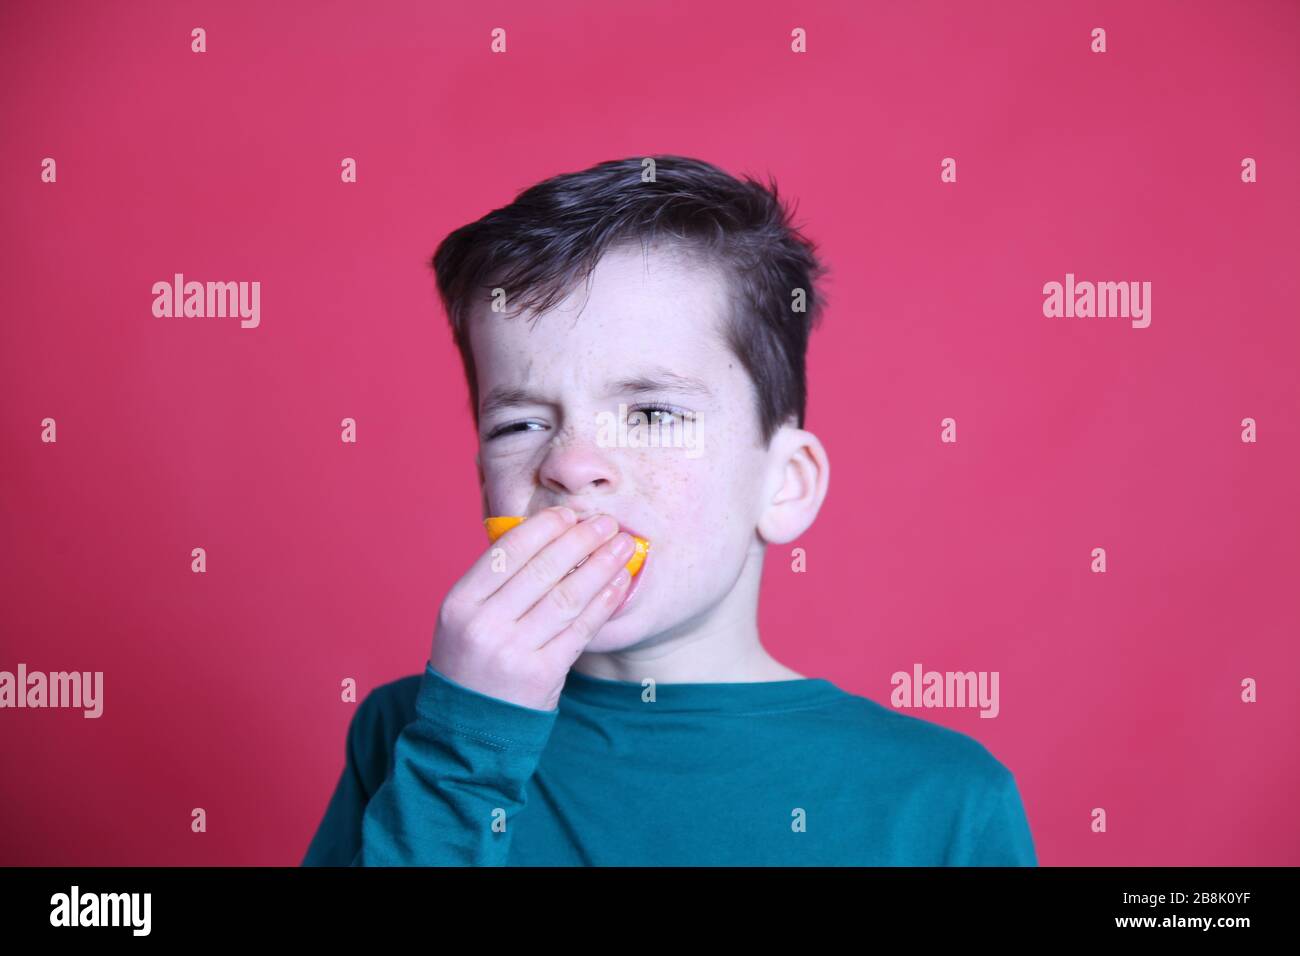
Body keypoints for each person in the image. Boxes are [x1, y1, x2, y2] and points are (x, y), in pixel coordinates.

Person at [302, 155, 1037, 866]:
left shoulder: (943, 800)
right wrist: (467, 745)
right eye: (519, 424)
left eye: (652, 414)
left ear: (784, 486)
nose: (568, 464)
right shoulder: (418, 736)